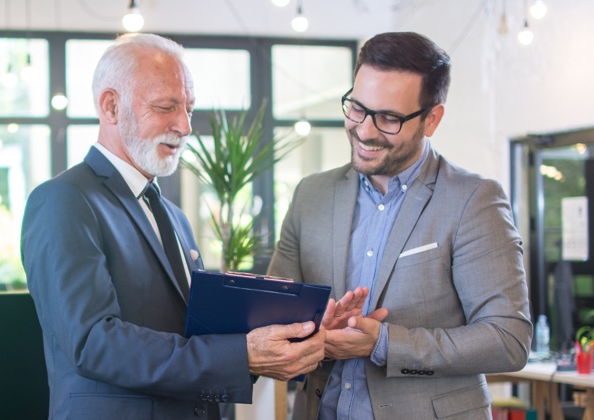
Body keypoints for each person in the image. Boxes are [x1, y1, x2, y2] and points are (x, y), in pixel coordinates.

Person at [21, 33, 360, 420]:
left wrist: (302, 329)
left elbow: (196, 333)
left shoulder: (172, 215)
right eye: (166, 107)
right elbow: (94, 343)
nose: (184, 125)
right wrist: (243, 353)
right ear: (111, 106)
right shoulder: (64, 200)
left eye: (188, 108)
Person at [267, 32, 533, 420]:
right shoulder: (311, 195)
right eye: (356, 108)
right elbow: (274, 309)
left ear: (432, 119)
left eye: (389, 118)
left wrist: (384, 344)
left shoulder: (473, 200)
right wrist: (313, 322)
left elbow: (508, 339)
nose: (365, 130)